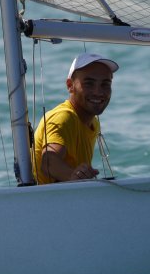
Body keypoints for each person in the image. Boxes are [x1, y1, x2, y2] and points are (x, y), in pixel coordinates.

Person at [33, 52, 118, 184]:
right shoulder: (64, 117)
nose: (98, 92)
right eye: (89, 84)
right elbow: (49, 161)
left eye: (105, 84)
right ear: (70, 85)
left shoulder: (93, 122)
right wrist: (73, 175)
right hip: (45, 201)